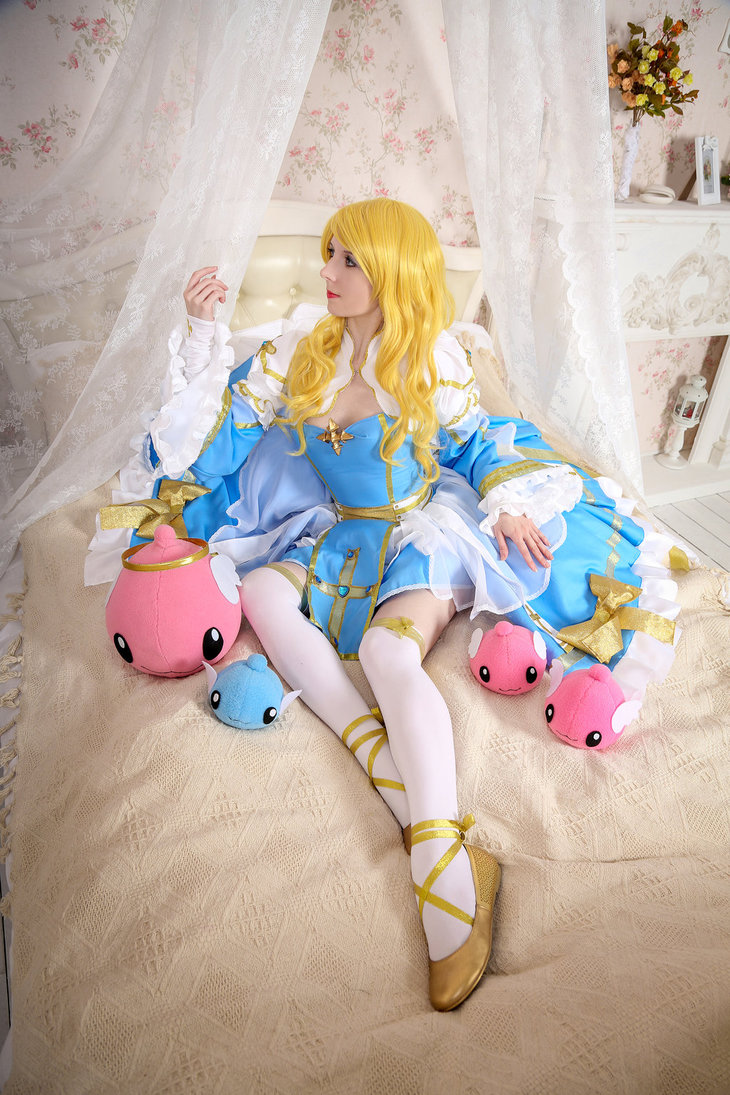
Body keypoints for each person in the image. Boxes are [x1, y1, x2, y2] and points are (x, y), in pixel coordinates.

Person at [102, 198, 682, 1010]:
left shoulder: (434, 360)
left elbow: (475, 444)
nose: (328, 272)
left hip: (420, 528)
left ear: (393, 272)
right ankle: (393, 779)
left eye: (349, 259)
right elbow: (217, 444)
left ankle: (436, 857)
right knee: (260, 589)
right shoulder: (297, 351)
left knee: (384, 650)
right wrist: (204, 337)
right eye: (328, 253)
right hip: (338, 528)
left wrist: (505, 504)